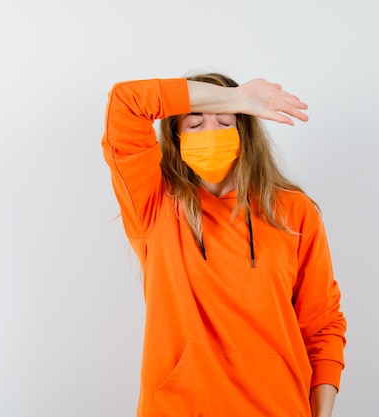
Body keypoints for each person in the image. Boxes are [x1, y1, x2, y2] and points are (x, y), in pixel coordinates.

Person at [101, 72, 347, 417]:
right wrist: (236, 99)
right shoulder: (154, 204)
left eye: (225, 121)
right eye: (195, 122)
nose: (211, 132)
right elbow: (126, 103)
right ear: (175, 136)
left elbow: (321, 322)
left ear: (243, 131)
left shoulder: (292, 210)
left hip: (279, 407)